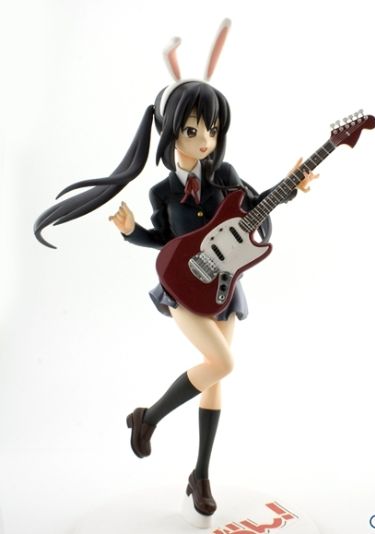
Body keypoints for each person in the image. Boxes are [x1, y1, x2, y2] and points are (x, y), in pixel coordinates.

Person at [34, 20, 317, 526]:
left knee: (215, 380)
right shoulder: (162, 192)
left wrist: (292, 186)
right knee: (222, 363)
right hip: (183, 289)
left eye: (212, 129)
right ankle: (149, 418)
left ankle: (200, 476)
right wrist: (131, 231)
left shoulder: (225, 177)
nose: (204, 139)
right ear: (171, 133)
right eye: (192, 130)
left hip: (225, 286)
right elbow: (165, 241)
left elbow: (258, 209)